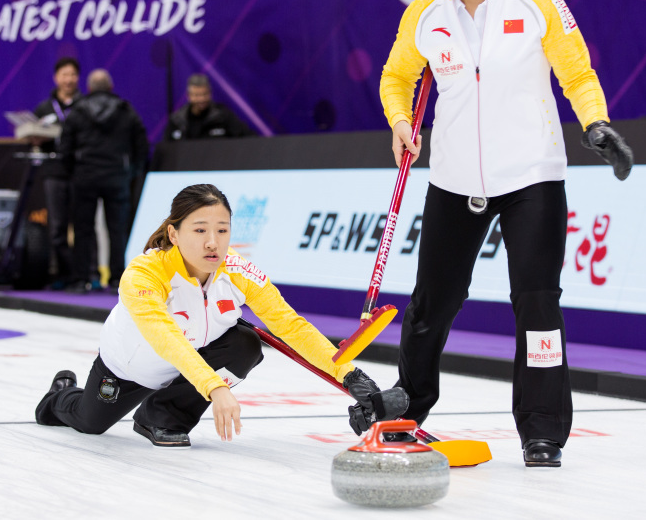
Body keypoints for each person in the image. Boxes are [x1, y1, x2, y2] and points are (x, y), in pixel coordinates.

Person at [380, 0, 633, 468]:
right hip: (453, 180)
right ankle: (407, 411)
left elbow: (577, 72)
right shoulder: (425, 13)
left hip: (532, 179)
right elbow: (398, 77)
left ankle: (543, 430)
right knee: (433, 304)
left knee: (538, 304)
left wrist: (595, 124)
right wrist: (399, 121)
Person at [35, 184, 408, 446]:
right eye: (200, 230)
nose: (213, 241)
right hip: (127, 369)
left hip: (185, 371)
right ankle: (60, 395)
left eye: (222, 230)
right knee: (89, 424)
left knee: (245, 343)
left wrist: (352, 376)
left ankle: (162, 417)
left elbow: (290, 325)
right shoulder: (145, 273)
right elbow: (165, 337)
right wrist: (213, 386)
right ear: (174, 233)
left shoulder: (238, 271)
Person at [59, 69, 149, 292]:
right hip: (116, 176)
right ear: (110, 87)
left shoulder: (78, 111)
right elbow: (141, 144)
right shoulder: (125, 110)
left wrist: (74, 172)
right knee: (117, 229)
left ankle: (82, 278)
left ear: (88, 89)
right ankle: (118, 277)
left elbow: (65, 147)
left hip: (85, 176)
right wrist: (133, 172)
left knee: (83, 229)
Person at [33, 57, 83, 290]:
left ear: (78, 78)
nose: (68, 79)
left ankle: (85, 274)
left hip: (81, 171)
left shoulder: (86, 105)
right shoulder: (45, 107)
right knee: (57, 226)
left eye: (72, 75)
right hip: (54, 172)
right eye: (64, 75)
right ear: (56, 78)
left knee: (83, 225)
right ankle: (63, 273)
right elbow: (34, 139)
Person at [163, 73, 252, 141]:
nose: (202, 99)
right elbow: (166, 149)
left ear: (210, 93)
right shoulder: (177, 121)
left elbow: (246, 137)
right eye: (197, 95)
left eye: (205, 94)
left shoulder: (223, 116)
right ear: (188, 96)